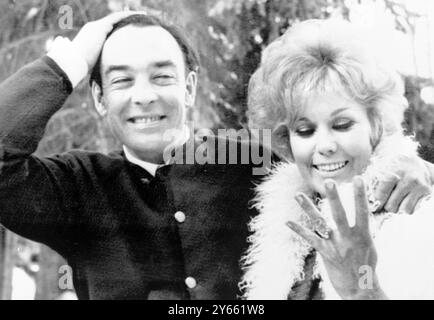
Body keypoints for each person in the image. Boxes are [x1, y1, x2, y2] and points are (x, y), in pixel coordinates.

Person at [0, 12, 431, 300]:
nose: (145, 96)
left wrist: (405, 162)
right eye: (122, 80)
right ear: (97, 97)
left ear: (188, 88)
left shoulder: (261, 164)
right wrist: (70, 59)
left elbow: (337, 160)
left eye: (162, 75)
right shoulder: (76, 186)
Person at [240, 19, 434, 300]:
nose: (325, 145)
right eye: (305, 131)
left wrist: (362, 285)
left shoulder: (415, 217)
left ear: (376, 126)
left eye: (342, 125)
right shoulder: (279, 225)